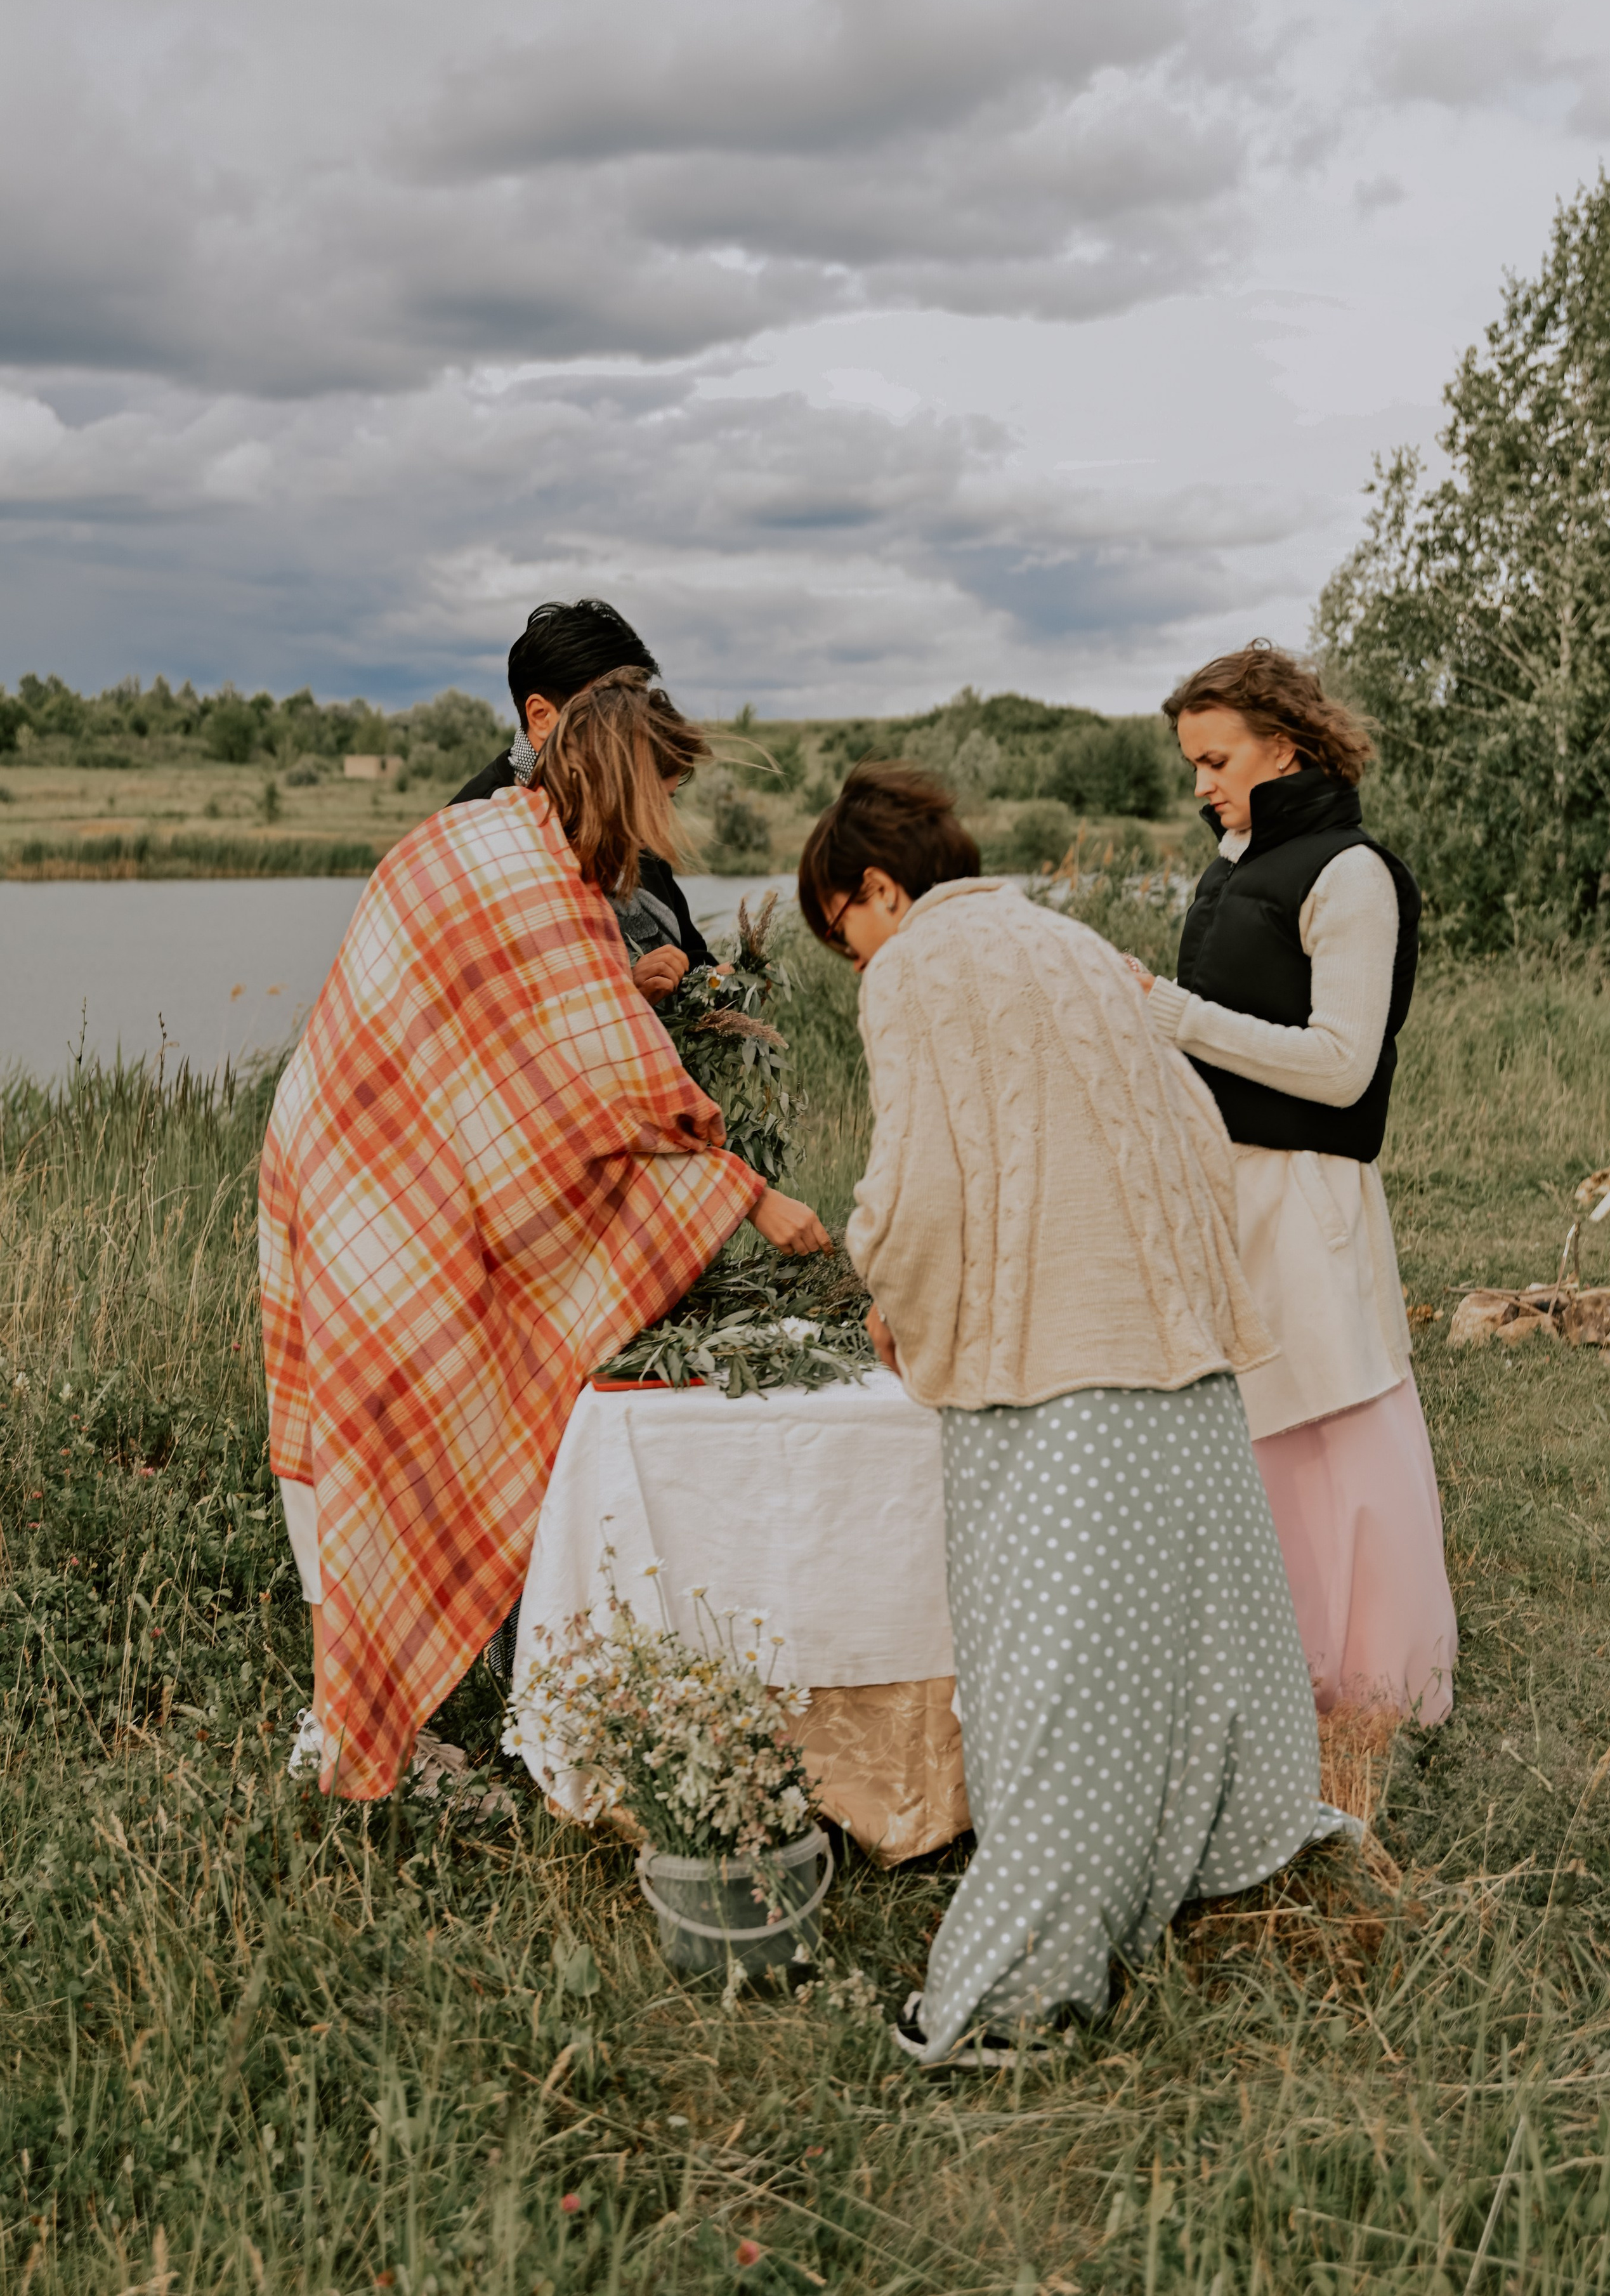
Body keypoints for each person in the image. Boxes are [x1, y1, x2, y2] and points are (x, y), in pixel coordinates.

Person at [801, 763, 1347, 2068]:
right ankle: (1224, 1850)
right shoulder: (1067, 940)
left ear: (876, 887)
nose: (853, 960)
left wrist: (884, 1278)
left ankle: (1017, 1993)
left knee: (1046, 1671)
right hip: (1169, 1330)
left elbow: (920, 1176)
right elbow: (1183, 1122)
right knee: (1189, 1629)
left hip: (1052, 1351)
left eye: (845, 931)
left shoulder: (915, 967)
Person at [263, 672, 830, 1801]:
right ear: (625, 785)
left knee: (377, 1429)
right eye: (665, 791)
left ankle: (362, 1719)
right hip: (375, 1178)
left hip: (343, 1153)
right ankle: (361, 1742)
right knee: (391, 1430)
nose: (667, 822)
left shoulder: (484, 839)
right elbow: (602, 1092)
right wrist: (752, 1197)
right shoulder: (527, 875)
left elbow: (537, 1058)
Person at [1129, 640, 1456, 1726]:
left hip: (1307, 1194)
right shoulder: (1232, 862)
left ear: (1284, 744)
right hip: (1225, 1192)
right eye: (1193, 764)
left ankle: (1379, 1690)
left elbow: (1341, 1063)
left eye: (1215, 758)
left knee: (1335, 1431)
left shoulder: (1352, 872)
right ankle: (1277, 1675)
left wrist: (1172, 1013)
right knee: (1254, 1436)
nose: (1200, 784)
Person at [452, 597, 712, 1004]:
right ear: (541, 716)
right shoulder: (472, 832)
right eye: (611, 702)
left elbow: (690, 953)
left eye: (637, 699)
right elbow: (489, 1010)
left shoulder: (624, 804)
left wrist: (720, 987)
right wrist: (624, 990)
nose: (635, 720)